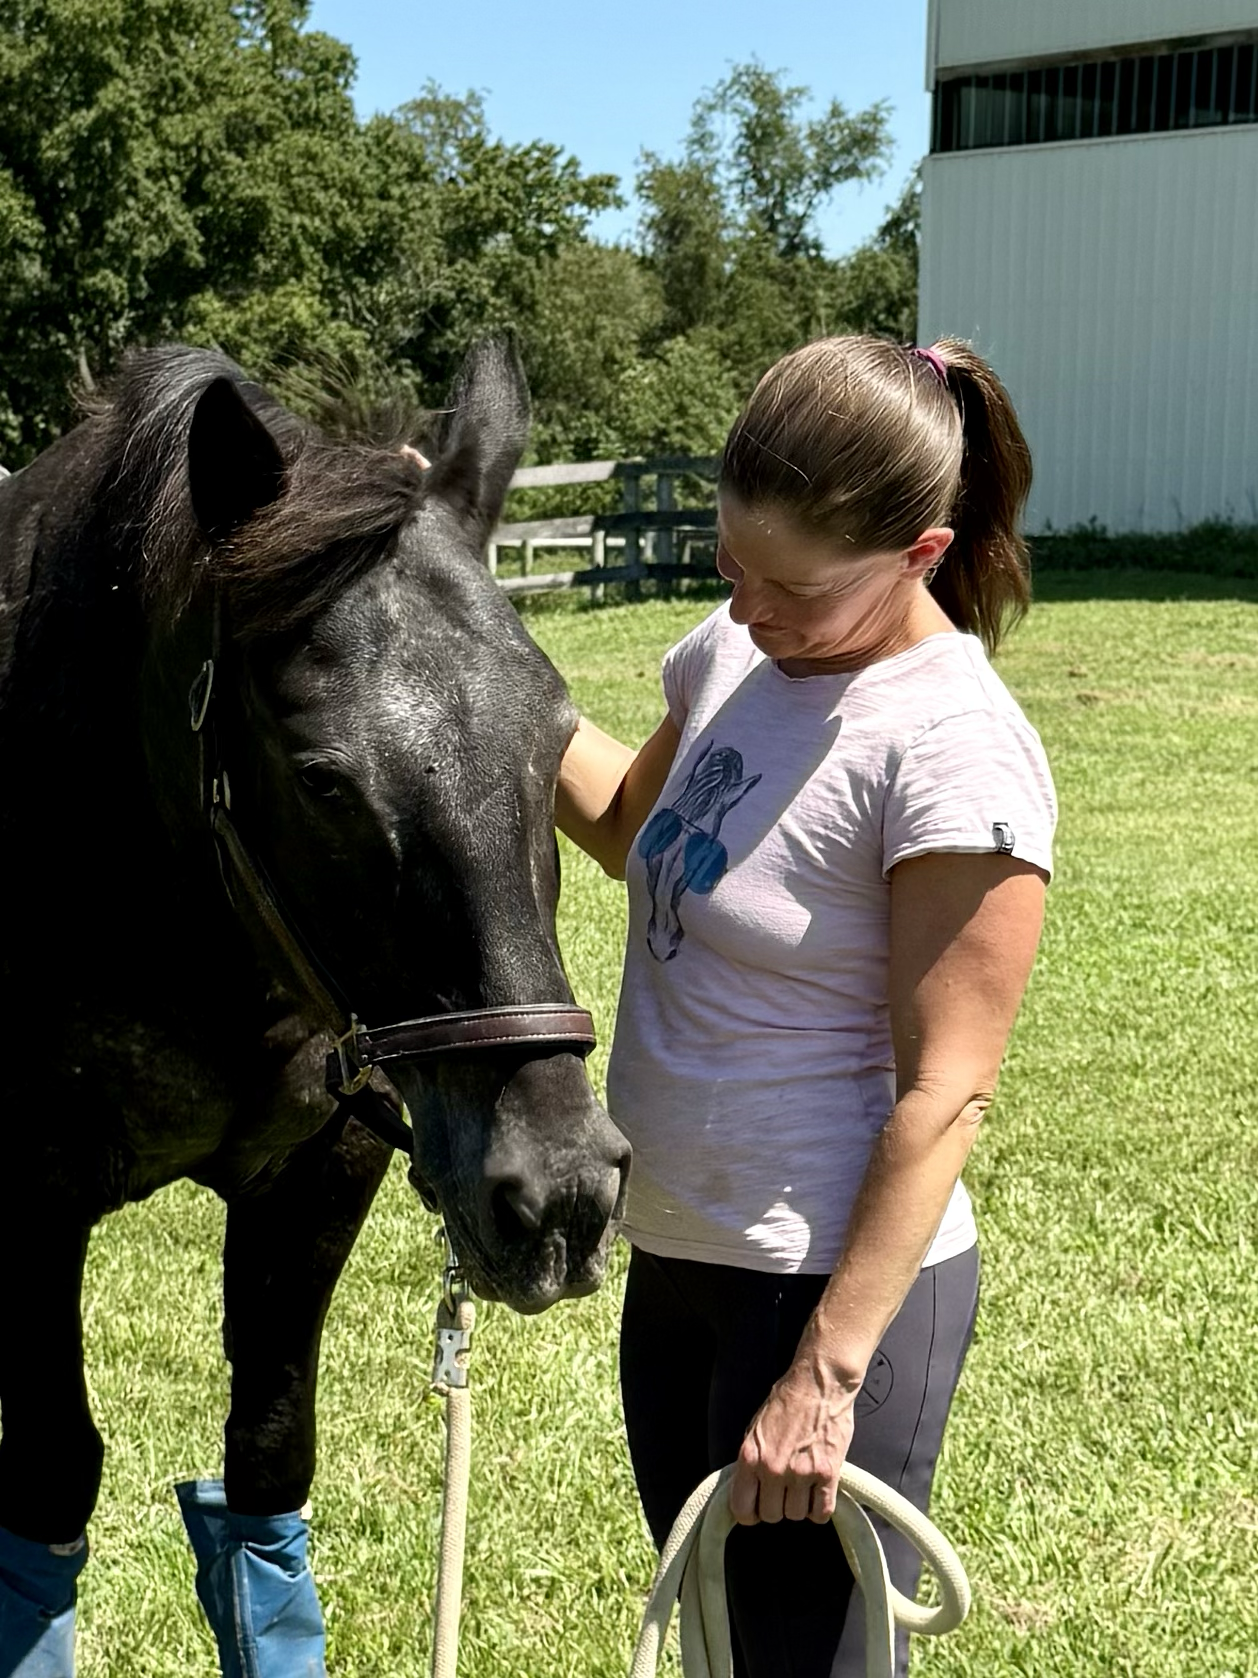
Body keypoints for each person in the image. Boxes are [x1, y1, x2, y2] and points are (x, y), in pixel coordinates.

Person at [554, 334, 1057, 1677]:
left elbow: (947, 1090)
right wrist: (485, 679)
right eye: (732, 566)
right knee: (722, 1648)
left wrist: (825, 1373)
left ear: (920, 553)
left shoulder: (950, 745)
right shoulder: (733, 652)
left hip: (826, 1292)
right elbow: (628, 826)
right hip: (681, 1252)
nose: (751, 608)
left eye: (792, 586)